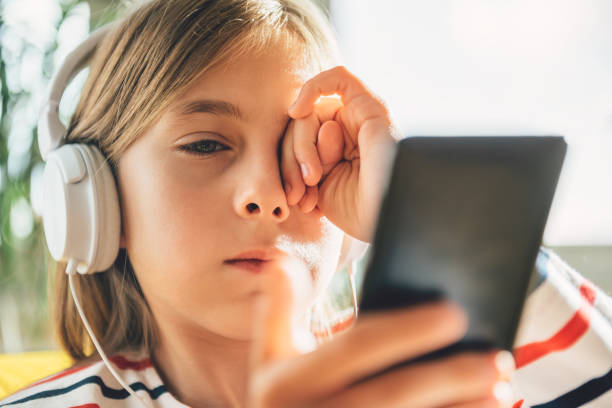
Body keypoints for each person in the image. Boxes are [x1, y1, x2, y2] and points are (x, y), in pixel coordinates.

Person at [1, 0, 610, 407]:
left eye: (307, 152)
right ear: (93, 199)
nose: (267, 195)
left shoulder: (448, 361)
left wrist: (412, 217)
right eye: (206, 144)